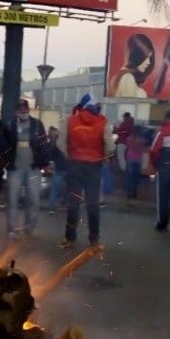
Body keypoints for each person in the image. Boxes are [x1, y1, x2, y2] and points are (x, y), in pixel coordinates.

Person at [58, 93, 115, 248]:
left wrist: (69, 156)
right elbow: (110, 146)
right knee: (93, 203)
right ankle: (94, 239)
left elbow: (60, 143)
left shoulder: (69, 120)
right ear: (94, 106)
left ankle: (69, 238)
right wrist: (105, 157)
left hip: (75, 165)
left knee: (74, 203)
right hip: (94, 167)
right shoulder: (103, 122)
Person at [5, 99, 50, 239]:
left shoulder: (37, 124)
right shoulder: (10, 125)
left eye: (25, 109)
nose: (22, 112)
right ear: (16, 111)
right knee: (12, 199)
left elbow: (43, 144)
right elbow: (5, 146)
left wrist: (45, 162)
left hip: (33, 167)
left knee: (34, 199)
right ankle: (12, 229)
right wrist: (6, 163)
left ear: (28, 110)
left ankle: (31, 227)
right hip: (15, 168)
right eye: (20, 110)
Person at [109, 33, 155, 98]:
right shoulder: (128, 78)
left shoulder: (128, 77)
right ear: (136, 56)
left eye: (150, 58)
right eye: (146, 57)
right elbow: (128, 105)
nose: (149, 62)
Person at [45, 126, 67, 215]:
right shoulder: (72, 141)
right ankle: (66, 203)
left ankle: (51, 208)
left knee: (54, 189)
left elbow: (51, 154)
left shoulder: (56, 142)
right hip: (70, 168)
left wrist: (51, 163)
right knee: (69, 188)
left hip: (59, 167)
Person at [125, 126, 146, 199]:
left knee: (130, 176)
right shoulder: (142, 140)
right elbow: (142, 148)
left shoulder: (129, 138)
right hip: (138, 159)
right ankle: (134, 193)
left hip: (130, 158)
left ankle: (129, 193)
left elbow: (127, 147)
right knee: (136, 176)